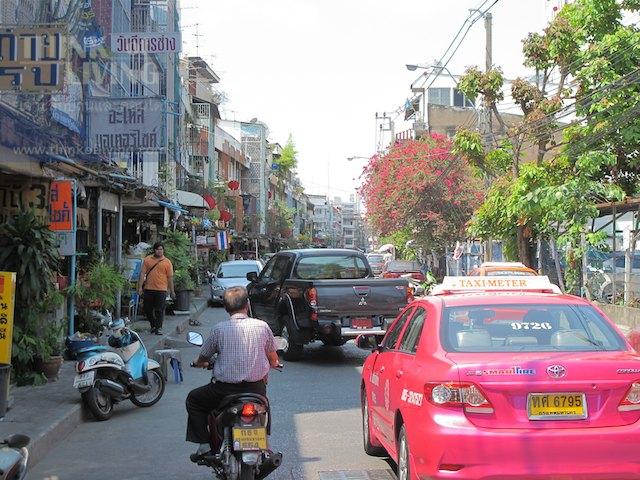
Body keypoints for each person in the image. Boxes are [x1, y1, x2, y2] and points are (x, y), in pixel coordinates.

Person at [186, 286, 281, 459]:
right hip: (255, 389)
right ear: (247, 304)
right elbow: (273, 358)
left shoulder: (219, 329)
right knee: (264, 407)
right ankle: (266, 442)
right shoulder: (262, 326)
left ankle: (204, 445)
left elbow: (204, 356)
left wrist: (198, 363)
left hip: (223, 391)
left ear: (226, 307)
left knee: (194, 399)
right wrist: (274, 363)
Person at [137, 242, 175, 335]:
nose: (159, 251)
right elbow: (142, 274)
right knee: (147, 309)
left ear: (163, 250)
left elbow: (170, 277)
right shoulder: (147, 260)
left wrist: (172, 291)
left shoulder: (167, 262)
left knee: (159, 310)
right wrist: (140, 287)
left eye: (161, 249)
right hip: (149, 288)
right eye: (158, 249)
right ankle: (153, 324)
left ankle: (158, 328)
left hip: (161, 289)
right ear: (154, 250)